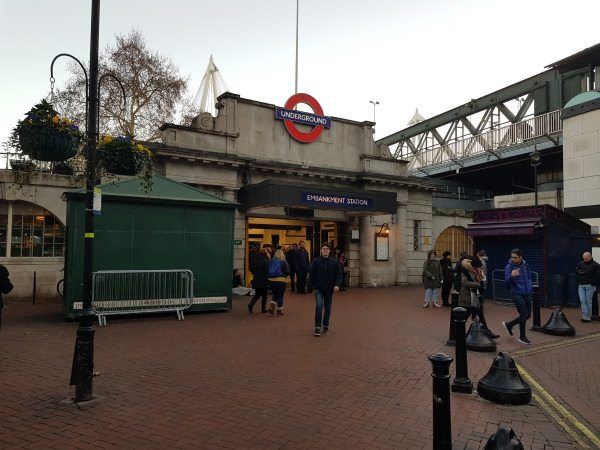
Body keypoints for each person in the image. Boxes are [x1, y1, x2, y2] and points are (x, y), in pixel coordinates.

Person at [308, 243, 343, 336]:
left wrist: (337, 285)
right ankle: (317, 327)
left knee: (327, 308)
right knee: (319, 306)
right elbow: (312, 275)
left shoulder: (334, 262)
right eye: (323, 249)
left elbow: (339, 274)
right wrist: (309, 286)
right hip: (319, 288)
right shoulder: (316, 261)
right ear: (321, 250)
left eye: (327, 249)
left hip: (329, 289)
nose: (325, 250)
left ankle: (326, 326)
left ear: (329, 251)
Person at [502, 249, 533, 345]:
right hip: (517, 294)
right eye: (512, 257)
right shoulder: (509, 267)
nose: (513, 259)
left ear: (520, 257)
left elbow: (529, 277)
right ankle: (522, 337)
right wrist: (512, 276)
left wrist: (530, 286)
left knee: (528, 315)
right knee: (523, 315)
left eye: (515, 257)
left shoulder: (525, 265)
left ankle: (509, 324)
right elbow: (506, 282)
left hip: (527, 293)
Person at [575, 252, 600, 322]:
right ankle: (586, 316)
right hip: (581, 284)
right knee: (583, 301)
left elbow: (598, 276)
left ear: (590, 257)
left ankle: (586, 317)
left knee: (588, 301)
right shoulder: (581, 263)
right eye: (584, 259)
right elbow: (576, 270)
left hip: (590, 285)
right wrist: (579, 272)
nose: (585, 260)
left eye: (586, 259)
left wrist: (592, 282)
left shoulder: (596, 265)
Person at [267, 249, 290, 316]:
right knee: (280, 296)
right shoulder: (284, 262)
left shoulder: (271, 261)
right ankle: (279, 311)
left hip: (271, 281)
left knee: (275, 295)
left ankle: (271, 308)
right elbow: (287, 272)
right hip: (281, 281)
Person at [248, 248, 270, 313]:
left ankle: (251, 305)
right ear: (265, 253)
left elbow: (251, 268)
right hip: (264, 279)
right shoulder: (266, 260)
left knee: (257, 294)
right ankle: (263, 309)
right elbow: (267, 270)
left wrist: (255, 274)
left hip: (256, 278)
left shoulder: (255, 260)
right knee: (264, 295)